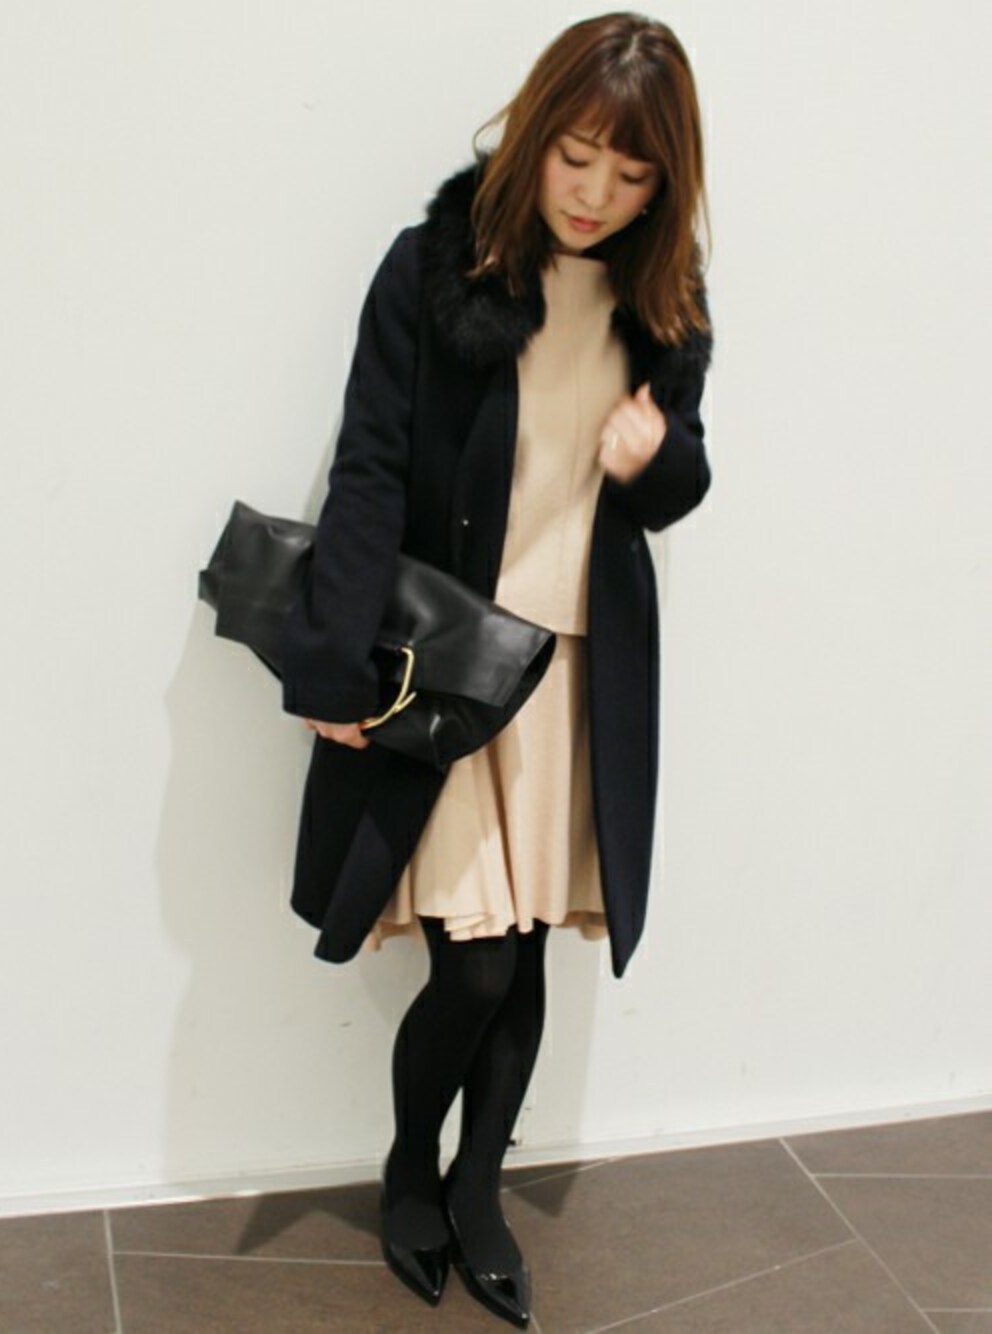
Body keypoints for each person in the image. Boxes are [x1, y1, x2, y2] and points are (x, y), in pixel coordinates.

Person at [278, 11, 714, 1327]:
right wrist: (334, 670)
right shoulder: (438, 266)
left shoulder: (665, 299)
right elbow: (368, 465)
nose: (595, 195)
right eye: (577, 156)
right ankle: (412, 1173)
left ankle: (479, 1193)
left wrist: (658, 459)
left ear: (665, 182)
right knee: (472, 963)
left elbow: (681, 477)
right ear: (534, 132)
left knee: (521, 960)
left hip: (578, 672)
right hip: (456, 670)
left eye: (631, 173)